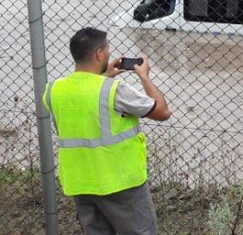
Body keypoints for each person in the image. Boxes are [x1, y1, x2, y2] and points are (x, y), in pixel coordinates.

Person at [43, 27, 171, 235]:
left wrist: (103, 75)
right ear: (99, 54)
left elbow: (86, 106)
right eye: (107, 49)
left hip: (81, 181)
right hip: (121, 182)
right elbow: (162, 112)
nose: (109, 53)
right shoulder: (115, 90)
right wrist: (144, 77)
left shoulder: (54, 89)